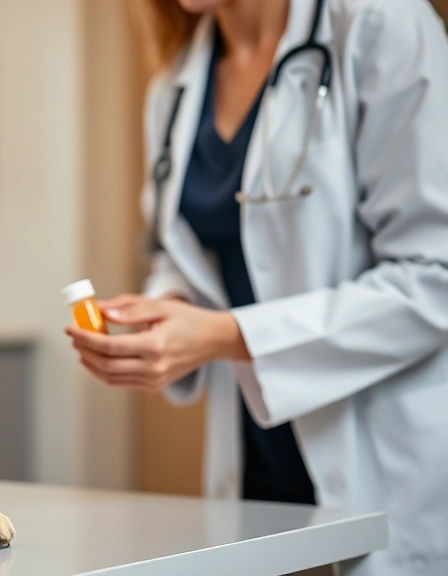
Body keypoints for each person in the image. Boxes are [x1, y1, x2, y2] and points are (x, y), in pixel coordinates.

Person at [65, 0, 448, 574]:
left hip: (383, 452)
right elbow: (184, 254)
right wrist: (165, 311)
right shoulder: (173, 89)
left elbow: (434, 275)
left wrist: (225, 334)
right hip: (255, 460)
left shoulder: (381, 23)